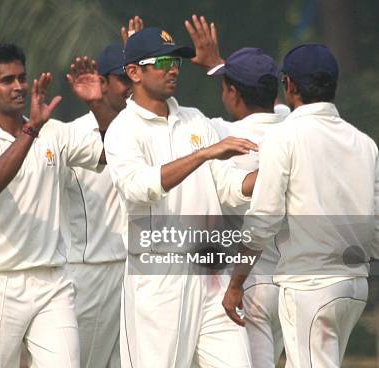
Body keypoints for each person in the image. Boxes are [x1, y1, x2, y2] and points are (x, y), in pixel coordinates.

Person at [104, 27, 258, 367]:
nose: (173, 68)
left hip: (213, 269)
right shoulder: (123, 130)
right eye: (162, 61)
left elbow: (229, 189)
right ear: (134, 72)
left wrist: (268, 177)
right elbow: (138, 187)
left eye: (176, 61)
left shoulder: (196, 120)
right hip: (160, 277)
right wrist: (202, 155)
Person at [222, 43, 376, 368]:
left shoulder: (284, 136)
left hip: (310, 286)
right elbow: (373, 227)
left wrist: (236, 284)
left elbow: (263, 219)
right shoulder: (364, 143)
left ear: (289, 85)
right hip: (354, 286)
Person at [0, 43, 104, 368]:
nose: (19, 86)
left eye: (22, 77)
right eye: (7, 80)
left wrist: (98, 105)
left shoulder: (55, 133)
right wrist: (31, 130)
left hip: (52, 281)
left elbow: (111, 152)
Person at [185, 16, 286, 366]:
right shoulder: (292, 127)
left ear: (232, 93)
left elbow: (183, 123)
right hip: (289, 280)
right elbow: (275, 106)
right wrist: (219, 67)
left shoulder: (217, 134)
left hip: (248, 282)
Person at [62, 42, 131, 368]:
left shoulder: (150, 130)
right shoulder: (72, 134)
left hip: (139, 271)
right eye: (123, 78)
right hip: (90, 272)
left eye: (137, 76)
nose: (132, 87)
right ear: (102, 82)